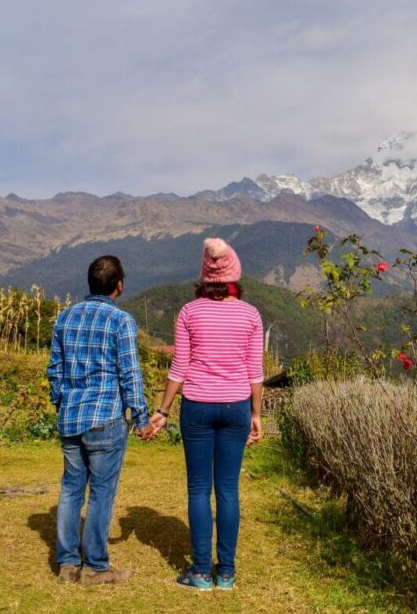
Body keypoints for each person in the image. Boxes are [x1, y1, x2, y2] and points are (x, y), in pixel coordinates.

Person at [148, 238, 264, 591]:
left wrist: (162, 410)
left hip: (197, 405)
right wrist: (256, 414)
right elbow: (254, 371)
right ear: (235, 274)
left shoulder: (189, 312)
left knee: (199, 489)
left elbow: (179, 367)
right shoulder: (250, 314)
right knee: (228, 489)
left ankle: (199, 572)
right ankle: (226, 572)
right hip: (236, 406)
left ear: (205, 275)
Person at [47, 255, 155, 586]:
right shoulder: (121, 321)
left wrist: (61, 403)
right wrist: (141, 418)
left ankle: (67, 565)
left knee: (70, 490)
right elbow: (130, 374)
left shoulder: (65, 318)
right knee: (101, 493)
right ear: (118, 285)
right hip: (105, 418)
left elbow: (54, 371)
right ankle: (95, 566)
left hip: (70, 419)